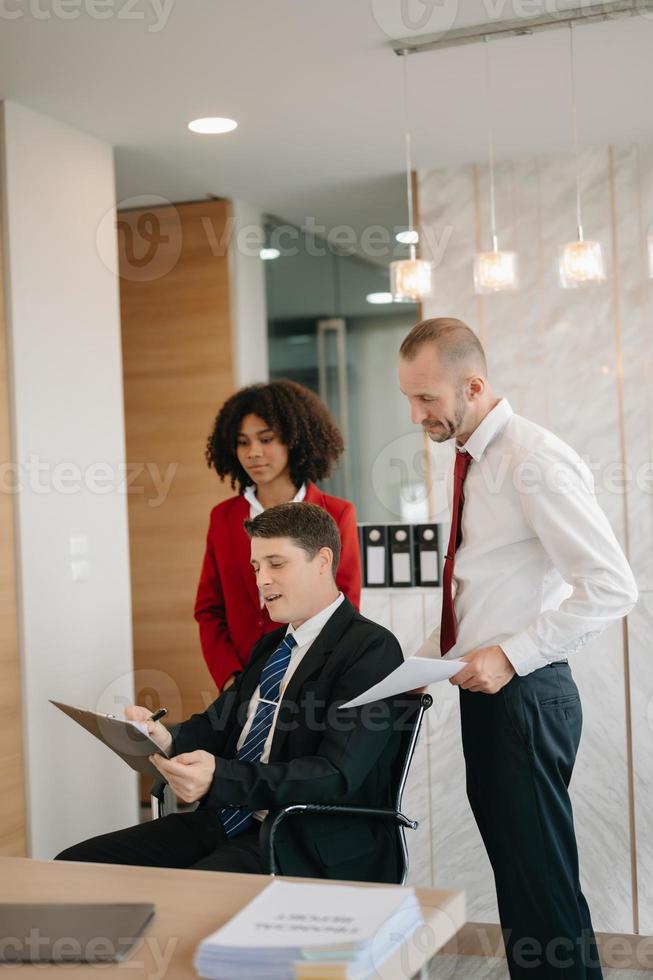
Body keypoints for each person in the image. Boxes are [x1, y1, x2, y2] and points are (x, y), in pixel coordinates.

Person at [398, 317, 637, 980]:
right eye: (409, 400)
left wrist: (507, 656)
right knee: (528, 893)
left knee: (542, 898)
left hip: (525, 697)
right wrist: (422, 661)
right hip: (495, 697)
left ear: (472, 385)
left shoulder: (530, 458)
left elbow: (611, 587)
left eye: (427, 399)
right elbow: (483, 590)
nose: (416, 415)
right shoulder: (475, 458)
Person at [57, 503, 404, 881]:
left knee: (194, 894)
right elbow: (217, 726)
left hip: (304, 837)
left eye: (276, 564)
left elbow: (335, 775)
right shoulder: (270, 648)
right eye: (257, 567)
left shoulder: (370, 649)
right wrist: (163, 737)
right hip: (227, 821)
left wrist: (219, 779)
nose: (261, 580)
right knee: (75, 867)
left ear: (322, 561)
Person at [195, 380, 362, 692]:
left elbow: (345, 606)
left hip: (310, 682)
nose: (253, 453)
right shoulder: (223, 518)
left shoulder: (337, 514)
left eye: (266, 439)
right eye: (243, 442)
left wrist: (314, 678)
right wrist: (230, 678)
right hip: (240, 685)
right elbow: (209, 609)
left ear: (294, 441)